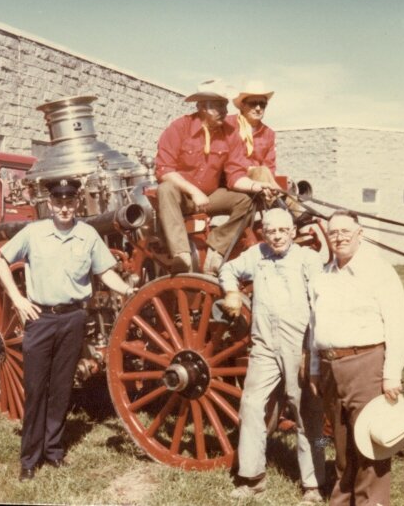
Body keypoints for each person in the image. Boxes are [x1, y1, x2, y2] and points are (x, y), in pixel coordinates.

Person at [0, 178, 134, 482]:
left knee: (61, 388)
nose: (64, 208)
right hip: (41, 319)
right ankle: (29, 458)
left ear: (78, 203)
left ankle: (53, 450)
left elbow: (105, 272)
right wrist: (17, 299)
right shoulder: (33, 233)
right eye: (58, 202)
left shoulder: (88, 235)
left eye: (70, 202)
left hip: (73, 319)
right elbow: (1, 261)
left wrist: (128, 291)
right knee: (35, 389)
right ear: (50, 203)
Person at [218, 208, 325, 503]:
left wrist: (311, 351)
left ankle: (314, 484)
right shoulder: (257, 255)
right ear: (264, 233)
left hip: (299, 344)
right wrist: (231, 292)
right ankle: (253, 479)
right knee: (251, 405)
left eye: (282, 231)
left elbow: (321, 303)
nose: (276, 236)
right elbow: (228, 269)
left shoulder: (308, 259)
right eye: (271, 231)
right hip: (264, 345)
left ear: (292, 232)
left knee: (308, 411)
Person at [308, 210, 404, 506]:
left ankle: (371, 501)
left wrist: (392, 373)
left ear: (360, 234)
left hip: (366, 364)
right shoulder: (323, 276)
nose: (338, 237)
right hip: (330, 367)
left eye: (345, 232)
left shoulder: (378, 271)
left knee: (370, 442)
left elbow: (397, 325)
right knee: (340, 446)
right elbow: (315, 327)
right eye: (333, 232)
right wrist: (315, 370)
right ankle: (342, 500)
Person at [155, 79, 270, 276]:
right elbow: (164, 169)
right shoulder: (179, 127)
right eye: (217, 106)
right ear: (201, 107)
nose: (224, 111)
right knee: (165, 189)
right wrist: (193, 191)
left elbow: (235, 174)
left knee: (248, 200)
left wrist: (256, 186)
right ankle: (181, 255)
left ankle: (216, 251)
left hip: (209, 197)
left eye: (224, 105)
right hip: (181, 197)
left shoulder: (230, 133)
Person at [230, 82, 307, 221]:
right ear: (242, 105)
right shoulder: (228, 125)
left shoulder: (268, 133)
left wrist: (279, 179)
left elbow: (270, 165)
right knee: (262, 171)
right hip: (234, 177)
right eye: (253, 103)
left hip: (261, 178)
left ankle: (296, 222)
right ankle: (291, 212)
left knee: (285, 180)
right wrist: (252, 169)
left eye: (262, 104)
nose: (258, 108)